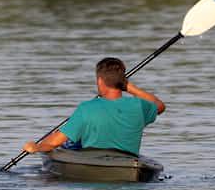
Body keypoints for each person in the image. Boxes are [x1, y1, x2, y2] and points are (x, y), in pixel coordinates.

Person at [23, 56, 165, 156]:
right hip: (128, 162)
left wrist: (36, 146)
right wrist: (130, 88)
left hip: (93, 163)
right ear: (122, 82)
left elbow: (54, 143)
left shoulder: (86, 108)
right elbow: (159, 106)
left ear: (100, 81)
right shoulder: (140, 106)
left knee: (70, 145)